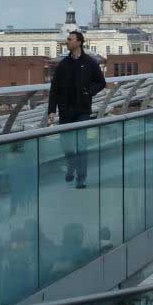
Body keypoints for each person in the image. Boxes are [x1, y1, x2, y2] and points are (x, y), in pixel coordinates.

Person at [47, 30, 106, 189]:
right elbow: (54, 89)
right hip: (65, 111)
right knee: (66, 145)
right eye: (67, 39)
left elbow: (101, 82)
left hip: (82, 111)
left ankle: (81, 178)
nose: (67, 42)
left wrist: (89, 91)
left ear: (79, 42)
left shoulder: (89, 63)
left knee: (81, 145)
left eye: (69, 39)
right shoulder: (62, 65)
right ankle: (71, 165)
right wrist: (51, 110)